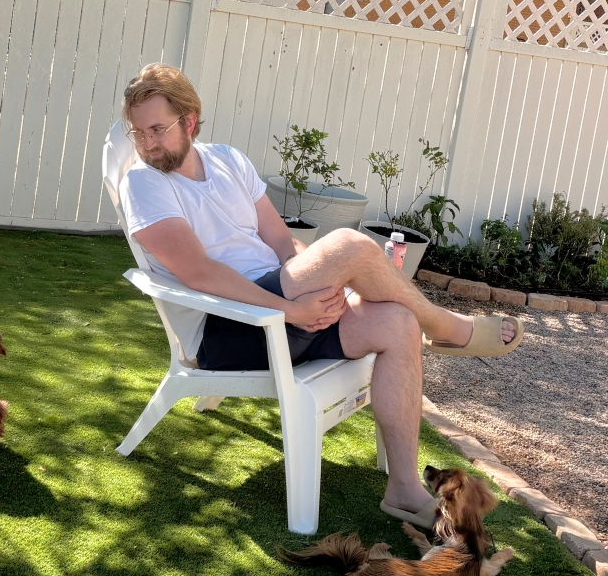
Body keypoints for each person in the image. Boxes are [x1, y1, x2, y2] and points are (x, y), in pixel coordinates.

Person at [116, 63, 522, 525]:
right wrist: (289, 309)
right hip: (230, 327)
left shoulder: (227, 160)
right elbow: (199, 273)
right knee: (349, 244)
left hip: (284, 302)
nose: (147, 144)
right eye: (138, 133)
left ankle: (404, 488)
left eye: (157, 130)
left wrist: (328, 288)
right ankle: (447, 327)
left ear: (189, 121)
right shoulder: (143, 183)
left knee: (398, 322)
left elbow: (280, 240)